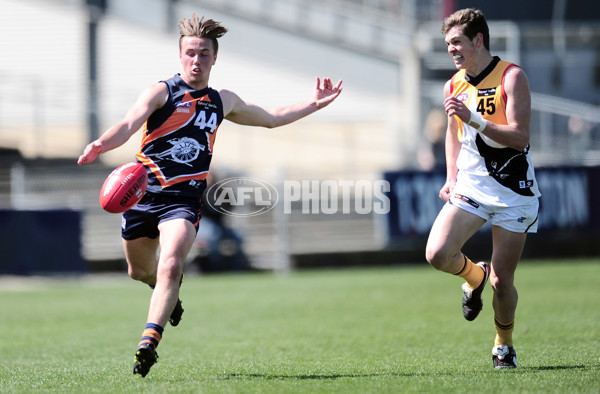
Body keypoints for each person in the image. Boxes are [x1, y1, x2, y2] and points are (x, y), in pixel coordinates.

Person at [77, 13, 342, 378]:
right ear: (180, 55)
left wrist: (313, 104)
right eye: (190, 53)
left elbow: (270, 117)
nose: (196, 60)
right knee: (139, 271)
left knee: (172, 264)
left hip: (183, 201)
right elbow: (127, 124)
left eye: (204, 53)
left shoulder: (222, 100)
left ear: (214, 58)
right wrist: (100, 144)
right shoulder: (161, 92)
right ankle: (166, 292)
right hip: (143, 192)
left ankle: (148, 344)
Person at [424, 8, 540, 369]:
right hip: (472, 186)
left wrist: (473, 117)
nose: (451, 50)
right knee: (437, 254)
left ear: (478, 40)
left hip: (512, 191)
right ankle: (473, 276)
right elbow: (451, 132)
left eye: (457, 42)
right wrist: (450, 176)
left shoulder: (512, 76)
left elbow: (520, 137)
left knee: (503, 282)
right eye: (447, 44)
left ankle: (503, 345)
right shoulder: (453, 84)